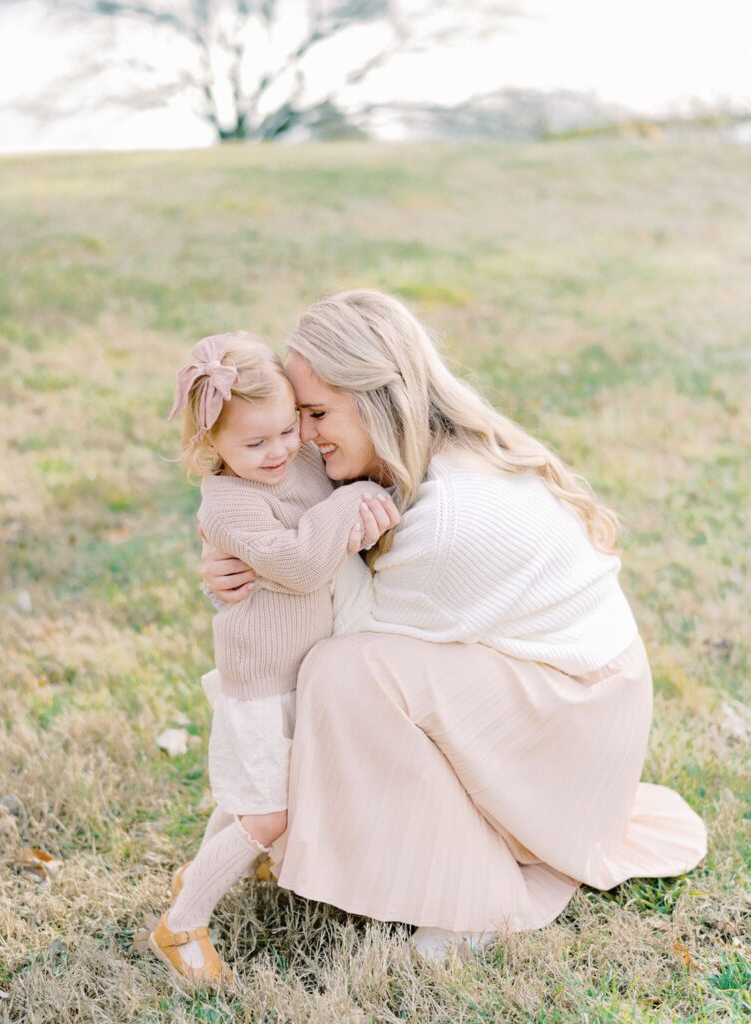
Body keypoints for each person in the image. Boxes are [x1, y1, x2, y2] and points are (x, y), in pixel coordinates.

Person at [201, 290, 708, 961]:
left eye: (318, 414)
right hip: (567, 694)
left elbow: (328, 634)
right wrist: (240, 553)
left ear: (380, 399)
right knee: (352, 673)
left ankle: (476, 897)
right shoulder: (412, 459)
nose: (305, 441)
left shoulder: (447, 516)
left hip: (577, 725)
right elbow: (294, 535)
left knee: (346, 676)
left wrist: (267, 565)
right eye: (299, 417)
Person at [151, 331, 395, 983]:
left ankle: (198, 877)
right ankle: (181, 926)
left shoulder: (303, 463)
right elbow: (301, 565)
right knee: (268, 812)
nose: (281, 451)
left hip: (304, 674)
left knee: (246, 800)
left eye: (288, 430)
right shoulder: (228, 502)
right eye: (255, 444)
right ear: (212, 448)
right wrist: (348, 505)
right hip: (261, 681)